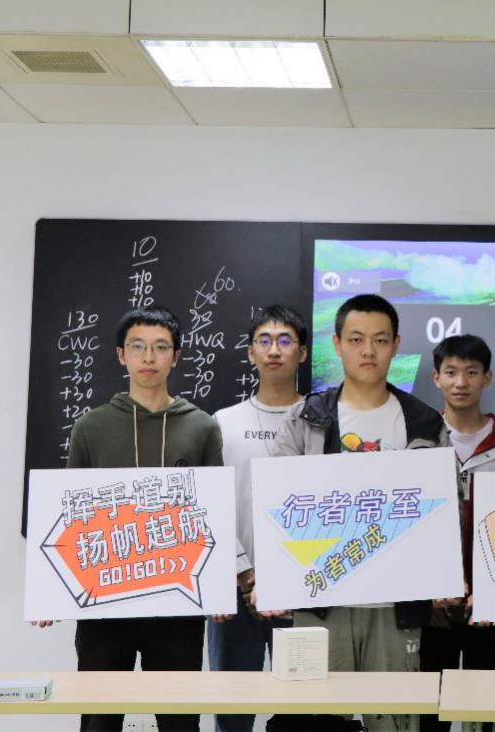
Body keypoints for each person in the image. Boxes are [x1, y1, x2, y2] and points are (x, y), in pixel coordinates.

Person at [271, 294, 446, 732]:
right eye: (356, 339)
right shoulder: (305, 418)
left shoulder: (425, 423)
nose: (368, 350)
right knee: (315, 720)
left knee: (395, 721)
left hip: (395, 605)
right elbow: (277, 505)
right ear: (337, 344)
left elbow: (444, 512)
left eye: (380, 340)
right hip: (321, 600)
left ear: (396, 345)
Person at [52, 306, 224, 732]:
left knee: (180, 722)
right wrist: (50, 594)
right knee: (99, 720)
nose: (149, 357)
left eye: (161, 347)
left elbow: (213, 514)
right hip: (105, 604)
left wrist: (218, 589)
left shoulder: (201, 427)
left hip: (177, 602)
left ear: (176, 357)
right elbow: (69, 515)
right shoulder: (91, 427)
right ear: (121, 354)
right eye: (138, 347)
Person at [208, 305, 308, 732]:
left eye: (285, 341)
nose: (274, 350)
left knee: (307, 714)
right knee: (233, 714)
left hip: (306, 591)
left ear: (302, 352)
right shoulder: (223, 422)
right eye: (264, 341)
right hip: (235, 590)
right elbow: (212, 504)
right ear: (251, 353)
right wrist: (245, 574)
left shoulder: (321, 420)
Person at [420, 334, 495, 732]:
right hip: (433, 603)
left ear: (487, 377)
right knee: (431, 709)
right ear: (436, 378)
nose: (461, 382)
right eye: (451, 372)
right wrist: (425, 589)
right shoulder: (421, 437)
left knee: (489, 710)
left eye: (471, 372)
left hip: (493, 601)